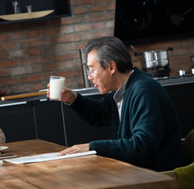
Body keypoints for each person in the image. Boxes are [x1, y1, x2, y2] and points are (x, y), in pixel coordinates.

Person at [49, 36, 185, 171]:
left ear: (111, 67)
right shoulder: (124, 90)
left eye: (91, 69)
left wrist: (92, 147)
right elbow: (98, 113)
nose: (90, 76)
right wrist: (72, 98)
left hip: (160, 177)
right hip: (137, 173)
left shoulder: (144, 91)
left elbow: (142, 145)